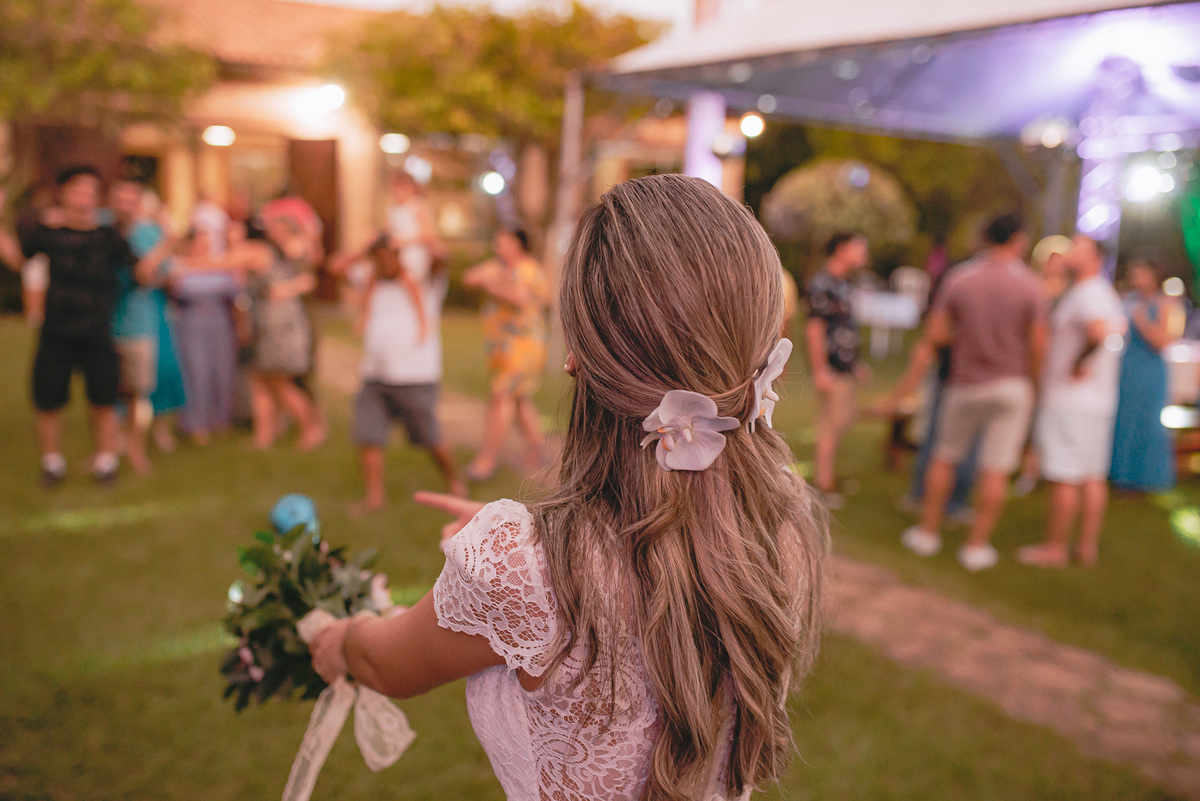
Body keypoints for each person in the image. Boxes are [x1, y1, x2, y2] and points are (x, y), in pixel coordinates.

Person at [309, 173, 827, 801]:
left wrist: (336, 636)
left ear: (578, 355)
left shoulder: (524, 567)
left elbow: (381, 663)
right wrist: (536, 543)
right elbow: (655, 553)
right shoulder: (784, 512)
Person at [0, 166, 173, 485]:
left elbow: (141, 273)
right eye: (78, 191)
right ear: (64, 194)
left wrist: (166, 241)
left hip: (97, 332)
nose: (84, 198)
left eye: (90, 192)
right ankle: (52, 464)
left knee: (103, 401)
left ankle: (105, 463)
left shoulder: (109, 236)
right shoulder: (48, 231)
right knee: (48, 400)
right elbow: (19, 260)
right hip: (56, 333)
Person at [901, 213, 1047, 571]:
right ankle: (976, 545)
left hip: (965, 383)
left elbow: (935, 334)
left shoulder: (961, 278)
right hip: (1012, 385)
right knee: (996, 469)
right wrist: (1034, 383)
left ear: (985, 236)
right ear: (1019, 239)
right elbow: (1039, 345)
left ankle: (928, 532)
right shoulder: (1031, 285)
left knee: (945, 456)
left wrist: (966, 337)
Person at [1018, 235, 1126, 568]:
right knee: (1092, 475)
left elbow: (1098, 334)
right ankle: (1085, 547)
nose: (1069, 252)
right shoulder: (1101, 293)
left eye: (1078, 247)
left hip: (1071, 402)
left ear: (1095, 257)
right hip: (1097, 402)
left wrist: (1080, 361)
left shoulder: (1089, 294)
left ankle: (1054, 549)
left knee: (1064, 475)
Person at [341, 236, 464, 514]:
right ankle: (374, 497)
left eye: (390, 256)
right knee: (367, 433)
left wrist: (409, 238)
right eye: (379, 257)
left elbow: (441, 252)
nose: (384, 262)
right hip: (375, 374)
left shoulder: (424, 283)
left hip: (415, 376)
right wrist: (369, 243)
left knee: (429, 437)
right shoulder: (371, 283)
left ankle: (454, 481)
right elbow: (338, 264)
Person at [462, 228, 550, 481]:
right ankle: (538, 451)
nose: (497, 246)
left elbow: (519, 297)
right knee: (520, 399)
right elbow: (469, 278)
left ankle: (486, 460)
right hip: (503, 350)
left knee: (500, 397)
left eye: (502, 241)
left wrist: (492, 282)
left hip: (524, 349)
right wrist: (497, 279)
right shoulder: (497, 267)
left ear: (517, 244)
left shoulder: (529, 269)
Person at [1109, 259, 1185, 492]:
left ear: (1153, 274)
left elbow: (1163, 340)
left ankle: (1148, 478)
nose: (1135, 275)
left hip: (1150, 371)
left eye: (1141, 271)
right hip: (1128, 369)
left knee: (1148, 423)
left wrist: (1141, 320)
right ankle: (1122, 476)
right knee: (1126, 421)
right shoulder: (1129, 300)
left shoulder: (1166, 303)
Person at [804, 232, 869, 507]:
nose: (864, 252)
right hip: (831, 369)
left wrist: (856, 364)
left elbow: (845, 329)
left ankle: (828, 475)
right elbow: (814, 329)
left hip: (845, 367)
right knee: (829, 424)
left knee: (842, 420)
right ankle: (823, 483)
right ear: (841, 250)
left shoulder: (845, 284)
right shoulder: (823, 284)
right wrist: (820, 369)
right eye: (858, 247)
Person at [170, 230, 241, 445]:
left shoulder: (222, 265)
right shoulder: (179, 265)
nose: (205, 248)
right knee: (196, 371)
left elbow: (236, 294)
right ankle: (195, 422)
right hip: (192, 323)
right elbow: (174, 292)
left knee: (221, 370)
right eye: (200, 243)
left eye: (208, 243)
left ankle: (220, 418)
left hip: (220, 323)